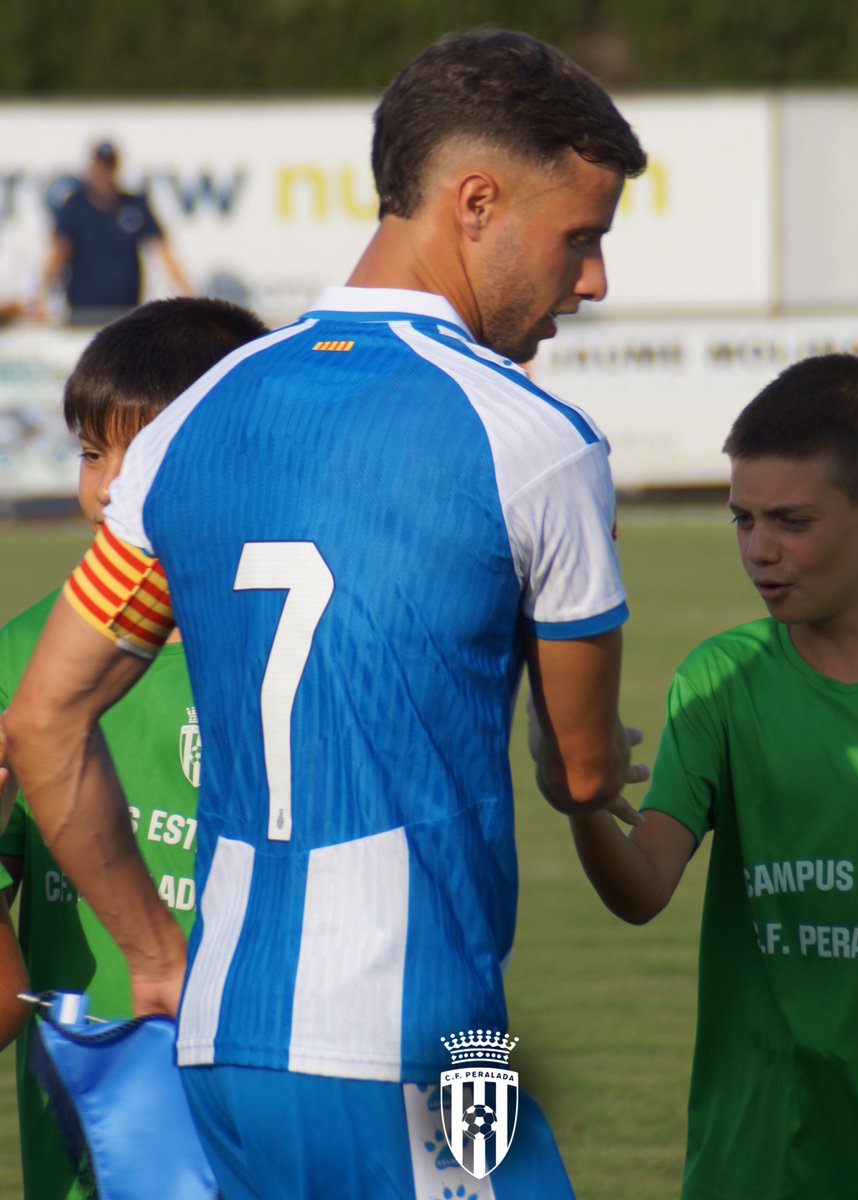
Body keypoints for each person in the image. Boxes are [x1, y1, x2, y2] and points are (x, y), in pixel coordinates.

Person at [4, 28, 647, 1199]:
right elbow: (587, 771)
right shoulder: (537, 441)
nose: (593, 280)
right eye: (581, 236)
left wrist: (154, 952)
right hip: (421, 1040)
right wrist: (581, 757)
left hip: (222, 1044)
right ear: (478, 203)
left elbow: (44, 718)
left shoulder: (194, 418)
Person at [564, 352, 858, 1198]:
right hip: (754, 1169)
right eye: (742, 519)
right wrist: (582, 798)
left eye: (791, 521)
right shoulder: (722, 679)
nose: (759, 550)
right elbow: (642, 889)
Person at [0, 296, 268, 1200]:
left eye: (146, 454)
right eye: (91, 453)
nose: (111, 489)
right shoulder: (21, 661)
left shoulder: (306, 651)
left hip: (275, 1122)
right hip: (92, 1158)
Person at [40, 141, 191, 326]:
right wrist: (41, 296)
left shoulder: (134, 205)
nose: (104, 174)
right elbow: (59, 253)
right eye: (100, 167)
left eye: (108, 167)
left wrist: (188, 296)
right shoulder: (75, 206)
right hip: (84, 311)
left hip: (125, 312)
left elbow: (162, 252)